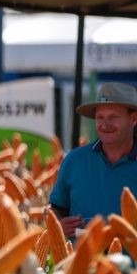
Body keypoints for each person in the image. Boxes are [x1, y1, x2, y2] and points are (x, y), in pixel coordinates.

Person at [50, 81, 137, 238]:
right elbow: (56, 208)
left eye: (113, 117)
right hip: (82, 261)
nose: (105, 124)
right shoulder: (73, 161)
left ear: (133, 119)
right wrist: (58, 225)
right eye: (100, 117)